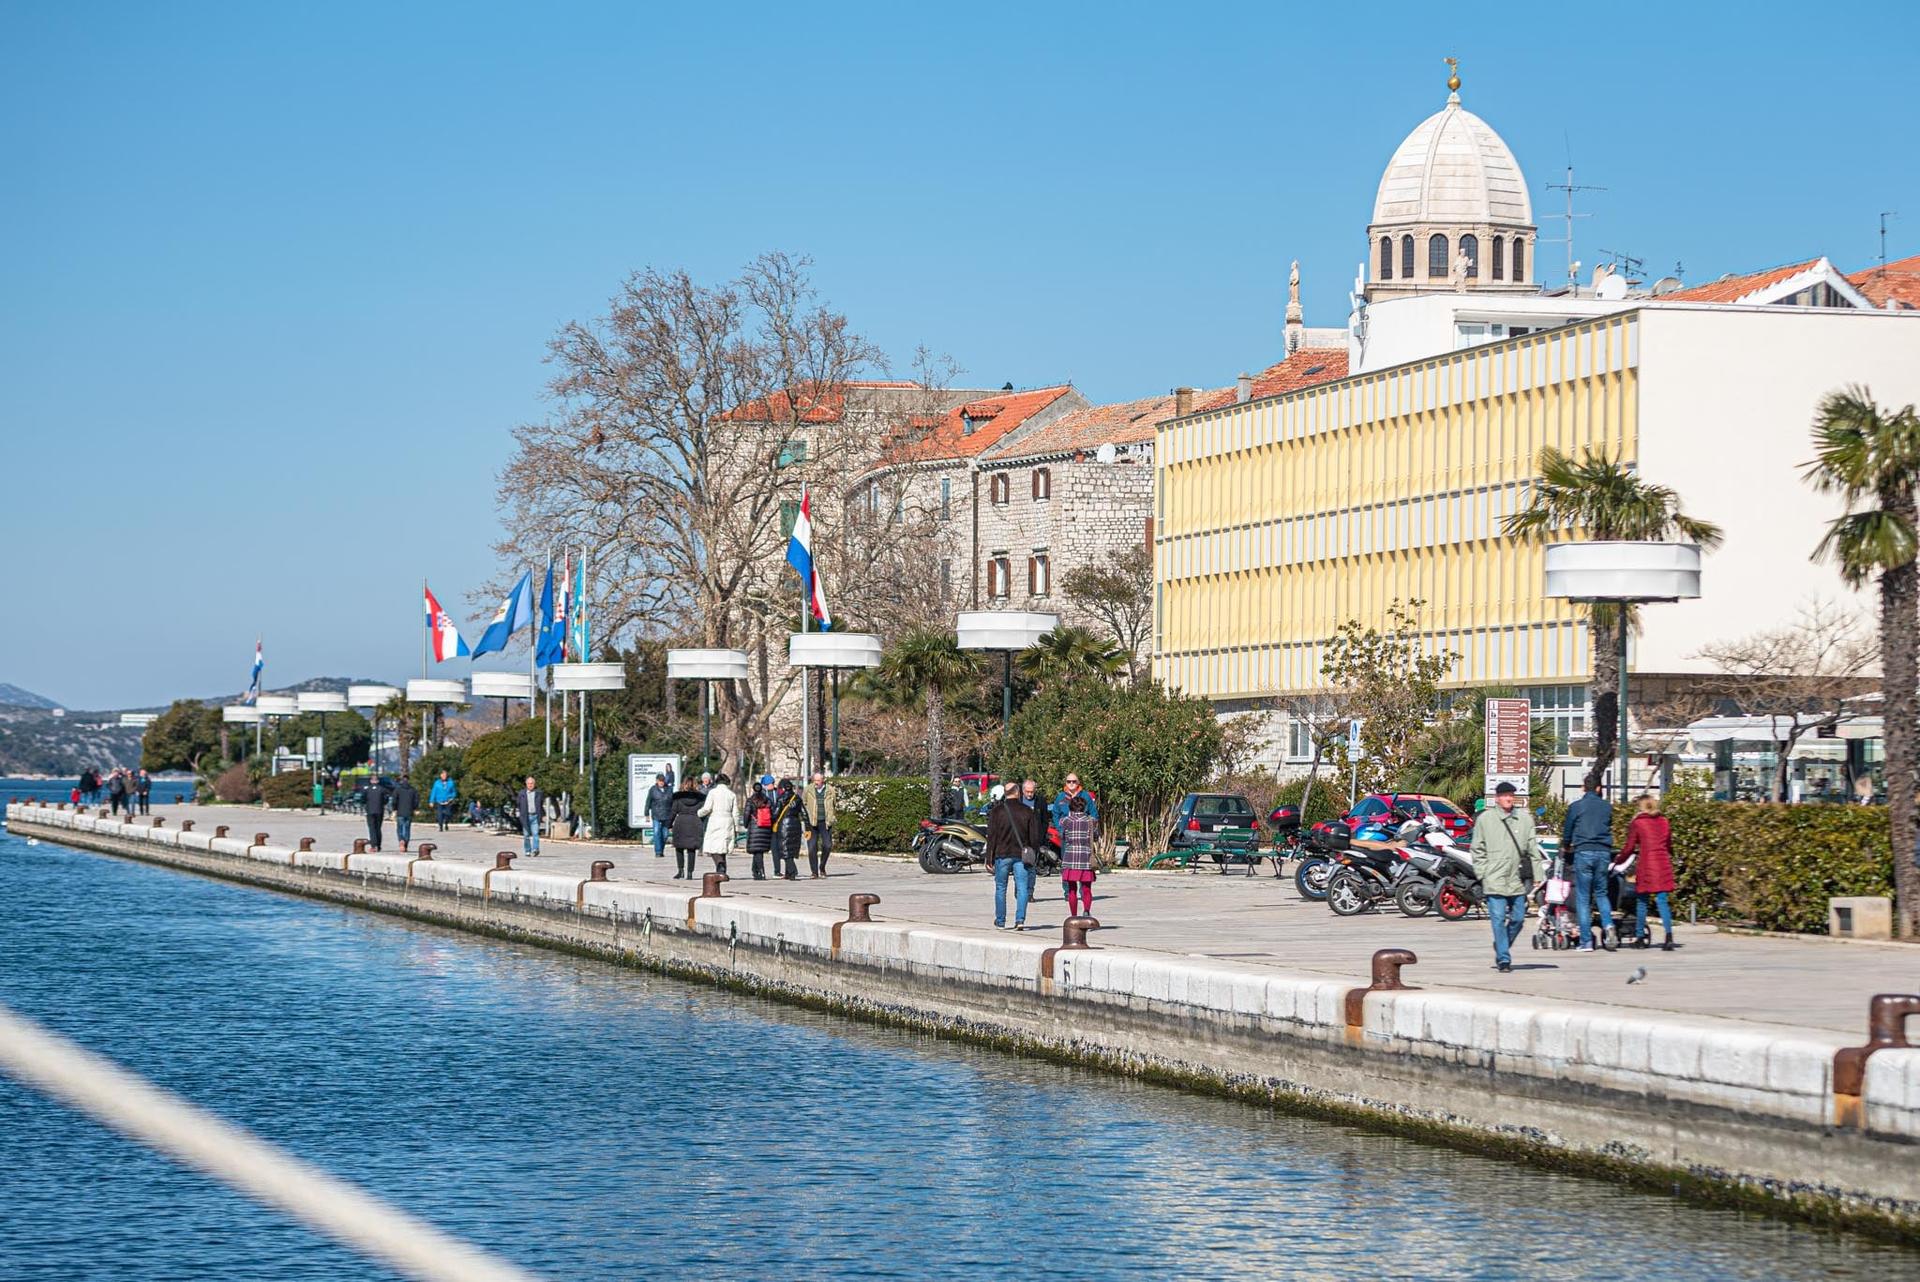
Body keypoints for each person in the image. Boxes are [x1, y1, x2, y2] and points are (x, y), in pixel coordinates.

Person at [1470, 781, 1539, 973]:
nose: (1509, 798)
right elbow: (1477, 848)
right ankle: (1503, 958)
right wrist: (1482, 872)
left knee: (1518, 918)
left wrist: (1538, 874)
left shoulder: (1524, 819)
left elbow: (1533, 848)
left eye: (1511, 795)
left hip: (1515, 879)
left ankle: (1502, 944)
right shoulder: (1486, 819)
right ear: (1497, 798)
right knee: (1498, 919)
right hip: (1494, 878)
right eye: (1505, 795)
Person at [1563, 780, 1617, 952]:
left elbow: (1568, 830)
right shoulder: (1607, 807)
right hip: (1603, 852)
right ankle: (1608, 925)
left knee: (1583, 896)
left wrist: (1566, 845)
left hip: (1583, 851)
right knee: (1601, 893)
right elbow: (1608, 825)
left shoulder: (1576, 807)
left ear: (1583, 788)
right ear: (1599, 788)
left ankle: (1586, 941)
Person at [1618, 794, 1678, 951]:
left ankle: (1639, 937)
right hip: (1663, 863)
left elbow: (1630, 847)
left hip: (1646, 863)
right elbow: (1669, 844)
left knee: (1642, 901)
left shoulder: (1638, 823)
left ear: (1641, 807)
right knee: (1662, 901)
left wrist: (1618, 860)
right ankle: (1669, 935)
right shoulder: (1664, 821)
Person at [986, 776, 1046, 930]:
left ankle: (1000, 920)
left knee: (1001, 888)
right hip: (1021, 855)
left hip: (1002, 854)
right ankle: (1020, 920)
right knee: (1022, 887)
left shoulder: (997, 811)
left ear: (1005, 794)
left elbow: (992, 836)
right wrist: (1034, 853)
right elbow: (1034, 836)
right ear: (1018, 793)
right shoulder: (1027, 811)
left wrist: (989, 857)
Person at [1058, 793, 1099, 917]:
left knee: (1071, 889)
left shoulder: (1065, 821)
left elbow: (1063, 837)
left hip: (1070, 857)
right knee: (1086, 888)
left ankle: (1073, 915)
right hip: (1086, 857)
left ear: (1070, 808)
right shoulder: (1091, 821)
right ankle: (1086, 910)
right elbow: (1096, 837)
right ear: (1084, 808)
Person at [697, 773, 738, 876]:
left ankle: (719, 864)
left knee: (713, 846)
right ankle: (722, 870)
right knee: (723, 845)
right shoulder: (731, 794)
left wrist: (699, 813)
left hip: (715, 819)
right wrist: (736, 827)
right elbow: (736, 812)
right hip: (728, 820)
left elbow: (707, 808)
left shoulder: (713, 793)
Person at [800, 770, 837, 877]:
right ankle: (814, 872)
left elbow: (834, 804)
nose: (816, 782)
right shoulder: (808, 790)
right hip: (811, 823)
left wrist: (831, 816)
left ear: (823, 780)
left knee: (827, 845)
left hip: (825, 822)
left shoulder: (830, 790)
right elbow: (804, 803)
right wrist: (806, 817)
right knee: (811, 847)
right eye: (814, 780)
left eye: (818, 780)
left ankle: (822, 867)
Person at [669, 782, 707, 879]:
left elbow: (673, 811)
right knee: (691, 849)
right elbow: (704, 811)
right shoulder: (700, 798)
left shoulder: (678, 797)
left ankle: (680, 871)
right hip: (694, 822)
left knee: (679, 848)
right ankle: (690, 873)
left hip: (680, 822)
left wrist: (669, 824)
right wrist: (700, 821)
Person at [773, 778, 804, 880]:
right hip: (796, 824)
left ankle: (792, 871)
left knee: (785, 849)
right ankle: (788, 873)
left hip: (784, 826)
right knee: (791, 848)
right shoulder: (798, 798)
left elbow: (776, 813)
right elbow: (804, 813)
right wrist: (807, 826)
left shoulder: (781, 798)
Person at [744, 780, 775, 879]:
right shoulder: (767, 800)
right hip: (765, 827)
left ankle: (761, 872)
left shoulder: (750, 800)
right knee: (758, 851)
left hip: (754, 826)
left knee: (757, 851)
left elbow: (746, 814)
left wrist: (746, 824)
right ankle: (755, 871)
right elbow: (773, 813)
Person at [645, 773, 672, 860]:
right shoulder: (653, 790)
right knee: (656, 832)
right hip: (656, 814)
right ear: (657, 781)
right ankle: (658, 852)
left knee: (665, 835)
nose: (661, 782)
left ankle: (661, 849)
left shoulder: (669, 789)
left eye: (663, 781)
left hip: (667, 815)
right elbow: (648, 801)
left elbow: (673, 802)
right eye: (660, 781)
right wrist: (646, 813)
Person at [516, 775, 544, 856]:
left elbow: (541, 804)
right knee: (526, 835)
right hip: (526, 816)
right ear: (526, 784)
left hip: (535, 816)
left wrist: (542, 814)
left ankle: (535, 849)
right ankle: (527, 850)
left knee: (535, 833)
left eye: (532, 783)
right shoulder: (522, 793)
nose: (530, 785)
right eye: (529, 783)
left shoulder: (539, 793)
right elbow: (518, 804)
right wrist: (519, 814)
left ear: (534, 784)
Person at [363, 775, 392, 852]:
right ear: (378, 781)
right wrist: (383, 803)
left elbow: (363, 799)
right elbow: (387, 798)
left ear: (371, 781)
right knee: (378, 828)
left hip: (370, 811)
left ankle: (373, 845)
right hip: (379, 810)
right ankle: (378, 845)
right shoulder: (382, 789)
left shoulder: (367, 790)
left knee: (372, 828)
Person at [392, 773, 419, 852]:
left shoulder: (398, 789)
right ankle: (405, 844)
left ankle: (401, 840)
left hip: (400, 811)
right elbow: (416, 800)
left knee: (400, 828)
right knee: (407, 829)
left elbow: (394, 800)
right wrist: (415, 808)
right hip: (409, 812)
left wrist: (394, 809)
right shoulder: (413, 790)